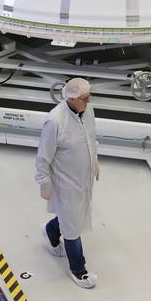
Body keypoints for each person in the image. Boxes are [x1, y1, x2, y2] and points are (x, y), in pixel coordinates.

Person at [35, 76, 99, 288]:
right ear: (71, 98)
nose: (88, 102)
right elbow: (43, 156)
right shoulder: (55, 121)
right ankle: (78, 269)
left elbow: (91, 138)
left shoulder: (86, 111)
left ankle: (51, 231)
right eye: (84, 99)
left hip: (84, 176)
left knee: (74, 215)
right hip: (65, 181)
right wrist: (44, 182)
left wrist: (95, 163)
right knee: (72, 225)